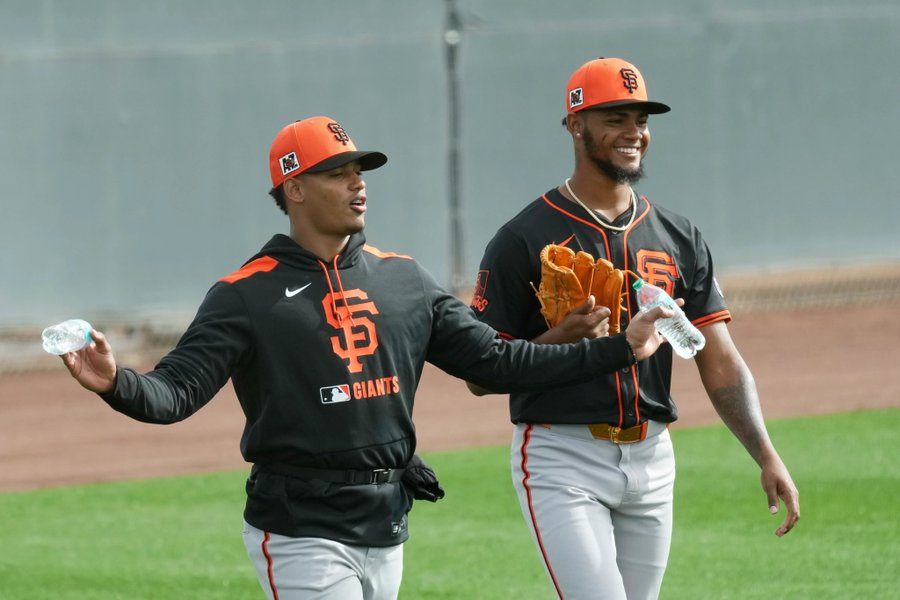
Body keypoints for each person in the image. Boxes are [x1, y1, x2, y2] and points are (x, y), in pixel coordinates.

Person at [58, 115, 676, 600]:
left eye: (360, 170)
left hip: (387, 522)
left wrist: (617, 349)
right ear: (295, 188)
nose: (358, 183)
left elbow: (496, 363)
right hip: (300, 528)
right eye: (337, 173)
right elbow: (176, 393)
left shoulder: (404, 280)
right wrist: (116, 383)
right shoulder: (246, 294)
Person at [466, 57, 800, 599]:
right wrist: (556, 340)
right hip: (561, 456)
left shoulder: (678, 235)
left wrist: (766, 452)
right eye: (615, 118)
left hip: (654, 455)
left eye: (641, 120)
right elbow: (480, 374)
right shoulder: (522, 238)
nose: (633, 133)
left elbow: (719, 359)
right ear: (576, 125)